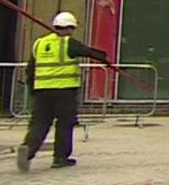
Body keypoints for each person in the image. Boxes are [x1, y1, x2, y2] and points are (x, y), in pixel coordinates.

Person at [16, 11, 109, 172]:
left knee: (39, 123)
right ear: (70, 28)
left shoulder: (39, 43)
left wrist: (32, 89)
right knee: (65, 124)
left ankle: (28, 148)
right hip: (64, 92)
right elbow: (88, 52)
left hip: (42, 92)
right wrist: (105, 58)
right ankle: (60, 158)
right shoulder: (68, 43)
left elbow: (30, 69)